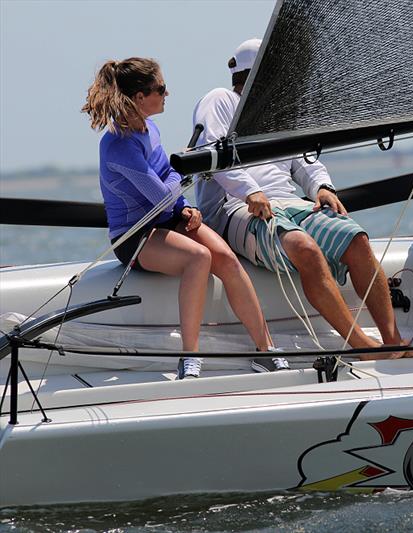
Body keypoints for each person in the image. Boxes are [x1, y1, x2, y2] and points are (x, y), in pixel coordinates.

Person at [193, 39, 413, 361]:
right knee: (305, 248)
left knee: (356, 240)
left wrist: (322, 187)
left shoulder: (281, 112)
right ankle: (362, 346)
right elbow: (212, 154)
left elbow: (305, 162)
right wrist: (250, 191)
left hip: (289, 201)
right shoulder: (220, 100)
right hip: (237, 207)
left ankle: (393, 340)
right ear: (256, 74)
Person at [83, 57, 276, 379]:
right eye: (160, 88)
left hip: (167, 216)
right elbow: (160, 194)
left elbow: (167, 181)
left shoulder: (149, 128)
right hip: (135, 236)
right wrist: (181, 175)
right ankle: (189, 356)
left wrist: (185, 204)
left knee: (226, 259)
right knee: (199, 257)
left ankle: (265, 350)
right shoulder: (118, 145)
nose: (167, 93)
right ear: (140, 96)